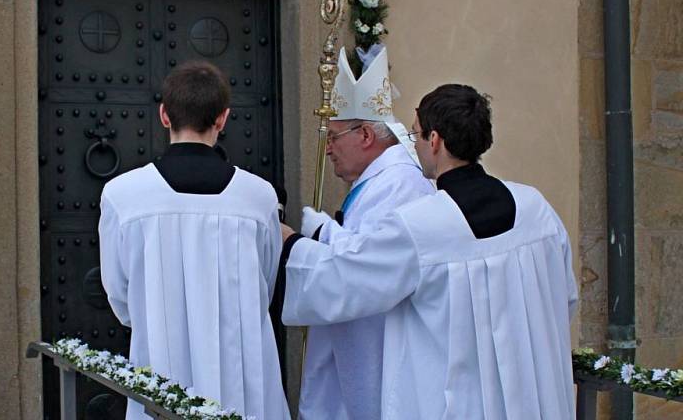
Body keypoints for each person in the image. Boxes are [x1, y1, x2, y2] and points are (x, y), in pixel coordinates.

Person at [282, 84, 579, 419]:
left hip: (456, 400)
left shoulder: (421, 225)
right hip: (530, 393)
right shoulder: (535, 207)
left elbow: (348, 278)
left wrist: (292, 243)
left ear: (435, 140)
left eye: (416, 135)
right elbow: (563, 296)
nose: (413, 145)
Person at [99, 61, 290, 420]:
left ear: (164, 115)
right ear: (223, 118)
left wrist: (157, 315)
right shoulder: (258, 196)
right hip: (242, 368)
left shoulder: (123, 195)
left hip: (159, 361)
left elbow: (120, 295)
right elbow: (264, 284)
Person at [295, 45, 434, 420]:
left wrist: (321, 232)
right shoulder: (377, 181)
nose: (327, 150)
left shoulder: (402, 185)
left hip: (379, 345)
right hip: (355, 339)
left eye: (334, 137)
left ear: (366, 136)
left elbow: (372, 266)